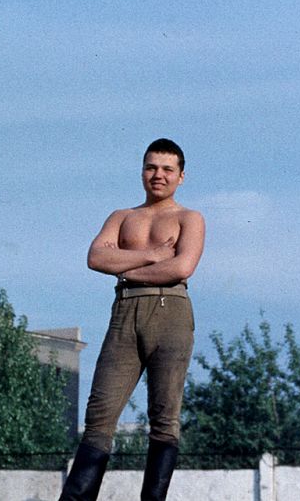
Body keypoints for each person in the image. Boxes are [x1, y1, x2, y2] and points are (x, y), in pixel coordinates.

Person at [59, 138, 205, 501]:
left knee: (164, 417)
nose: (158, 175)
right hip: (125, 312)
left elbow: (182, 267)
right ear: (142, 171)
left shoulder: (189, 218)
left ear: (181, 176)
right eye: (151, 167)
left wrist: (124, 267)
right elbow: (96, 258)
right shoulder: (121, 217)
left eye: (167, 169)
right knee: (100, 414)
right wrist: (153, 255)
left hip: (171, 313)